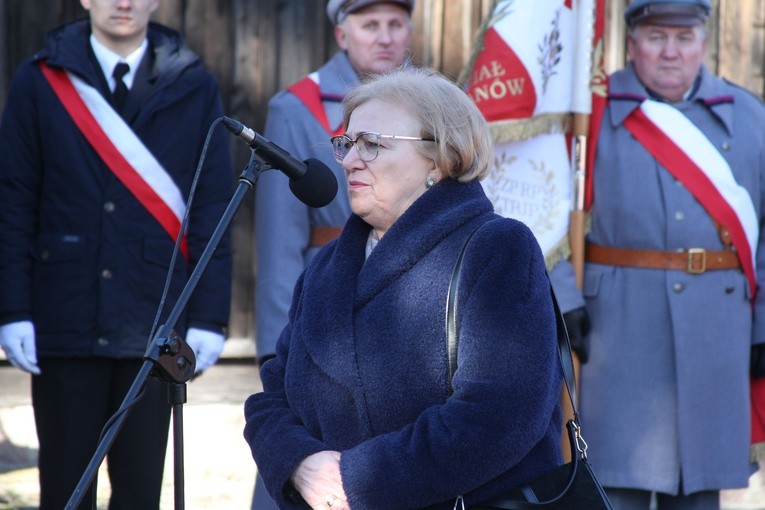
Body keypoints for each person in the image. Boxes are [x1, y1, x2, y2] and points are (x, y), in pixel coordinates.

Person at [244, 66, 563, 509]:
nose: (351, 160)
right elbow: (271, 398)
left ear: (440, 159)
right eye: (347, 143)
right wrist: (299, 463)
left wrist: (354, 482)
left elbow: (499, 417)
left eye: (372, 144)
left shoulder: (497, 248)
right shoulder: (325, 269)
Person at [0, 0, 233, 508]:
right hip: (65, 317)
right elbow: (13, 199)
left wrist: (211, 317)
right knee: (64, 491)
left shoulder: (194, 84)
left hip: (153, 323)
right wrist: (12, 310)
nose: (123, 3)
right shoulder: (40, 80)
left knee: (140, 493)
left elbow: (212, 206)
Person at [579, 0, 765, 508]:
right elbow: (548, 214)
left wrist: (764, 324)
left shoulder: (750, 117)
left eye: (683, 38)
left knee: (700, 491)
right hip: (615, 330)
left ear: (703, 43)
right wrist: (558, 298)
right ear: (632, 41)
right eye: (657, 36)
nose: (670, 52)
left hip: (718, 331)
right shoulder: (591, 112)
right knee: (612, 487)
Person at [254, 0, 415, 368]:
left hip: (412, 300)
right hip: (329, 300)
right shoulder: (295, 107)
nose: (385, 38)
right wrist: (276, 349)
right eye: (370, 25)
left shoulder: (431, 107)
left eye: (395, 24)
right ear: (342, 34)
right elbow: (279, 240)